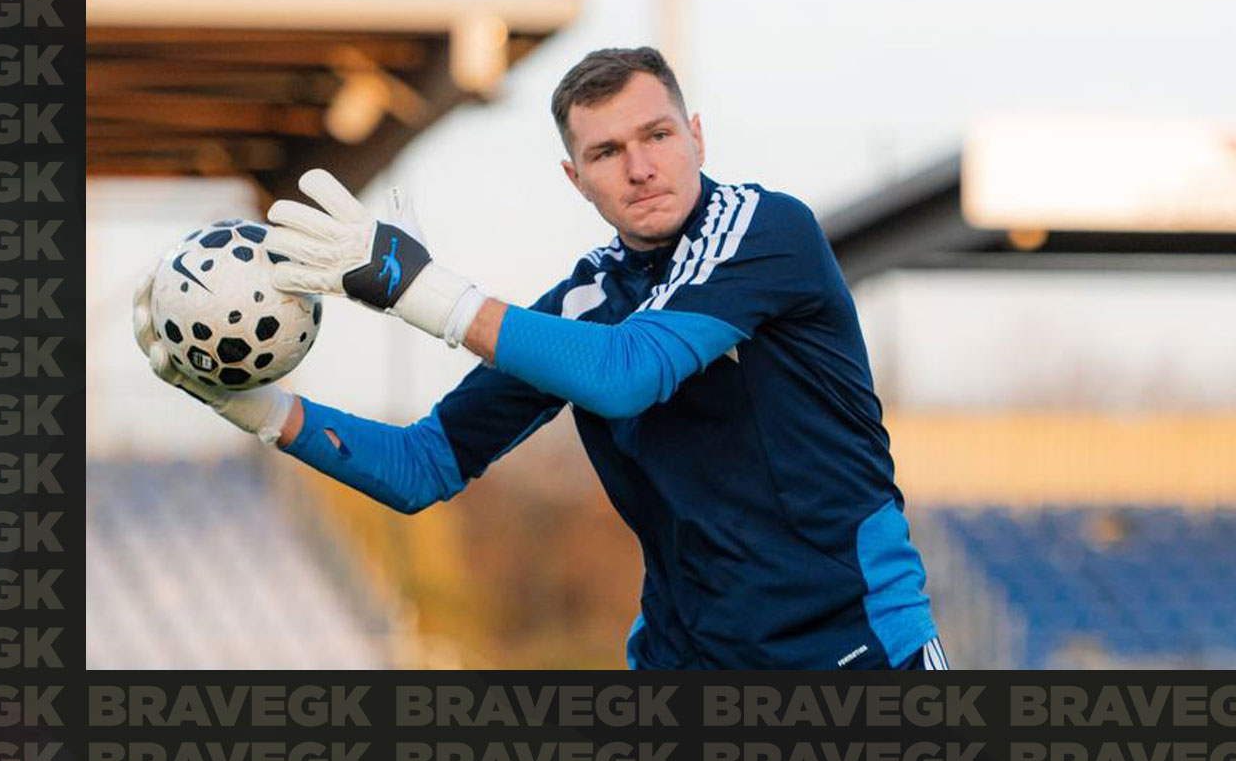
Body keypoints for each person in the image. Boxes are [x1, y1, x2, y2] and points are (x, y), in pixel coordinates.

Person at [133, 47, 946, 670]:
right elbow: (424, 465)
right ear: (575, 178)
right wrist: (255, 409)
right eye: (605, 152)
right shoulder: (582, 303)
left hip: (854, 648)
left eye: (658, 134)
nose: (640, 166)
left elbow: (627, 375)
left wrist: (413, 287)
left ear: (695, 135)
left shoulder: (766, 233)